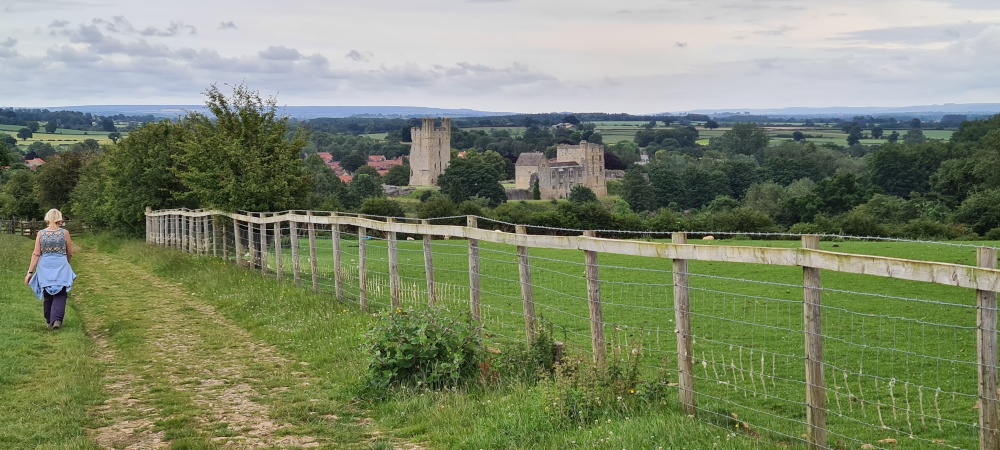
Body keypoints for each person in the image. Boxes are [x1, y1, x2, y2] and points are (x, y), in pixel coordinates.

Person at [23, 209, 77, 330]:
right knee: (61, 293)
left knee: (47, 293)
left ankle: (49, 320)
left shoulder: (41, 234)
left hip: (45, 266)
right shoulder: (64, 233)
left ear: (47, 219)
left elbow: (36, 254)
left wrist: (30, 272)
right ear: (59, 219)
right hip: (61, 263)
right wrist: (66, 263)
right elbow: (70, 252)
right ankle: (56, 319)